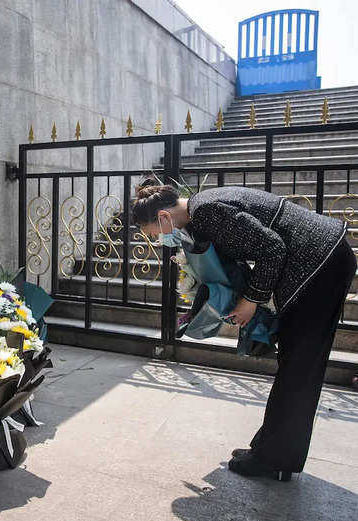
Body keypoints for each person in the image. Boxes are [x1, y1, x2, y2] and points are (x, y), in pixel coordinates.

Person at [131, 179, 355, 481]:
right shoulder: (201, 213)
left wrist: (251, 300)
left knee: (299, 367)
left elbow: (272, 249)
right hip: (320, 261)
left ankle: (274, 459)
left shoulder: (207, 212)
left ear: (163, 217)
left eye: (154, 234)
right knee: (294, 363)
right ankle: (270, 449)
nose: (158, 240)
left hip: (320, 264)